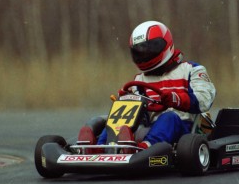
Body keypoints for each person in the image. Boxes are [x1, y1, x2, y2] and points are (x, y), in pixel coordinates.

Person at [79, 21, 216, 151]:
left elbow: (205, 99)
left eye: (149, 49)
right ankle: (101, 148)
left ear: (165, 44)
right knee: (117, 117)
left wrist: (176, 99)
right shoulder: (139, 79)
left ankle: (145, 148)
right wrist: (126, 100)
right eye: (140, 51)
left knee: (169, 117)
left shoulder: (191, 70)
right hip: (149, 127)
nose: (144, 55)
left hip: (184, 129)